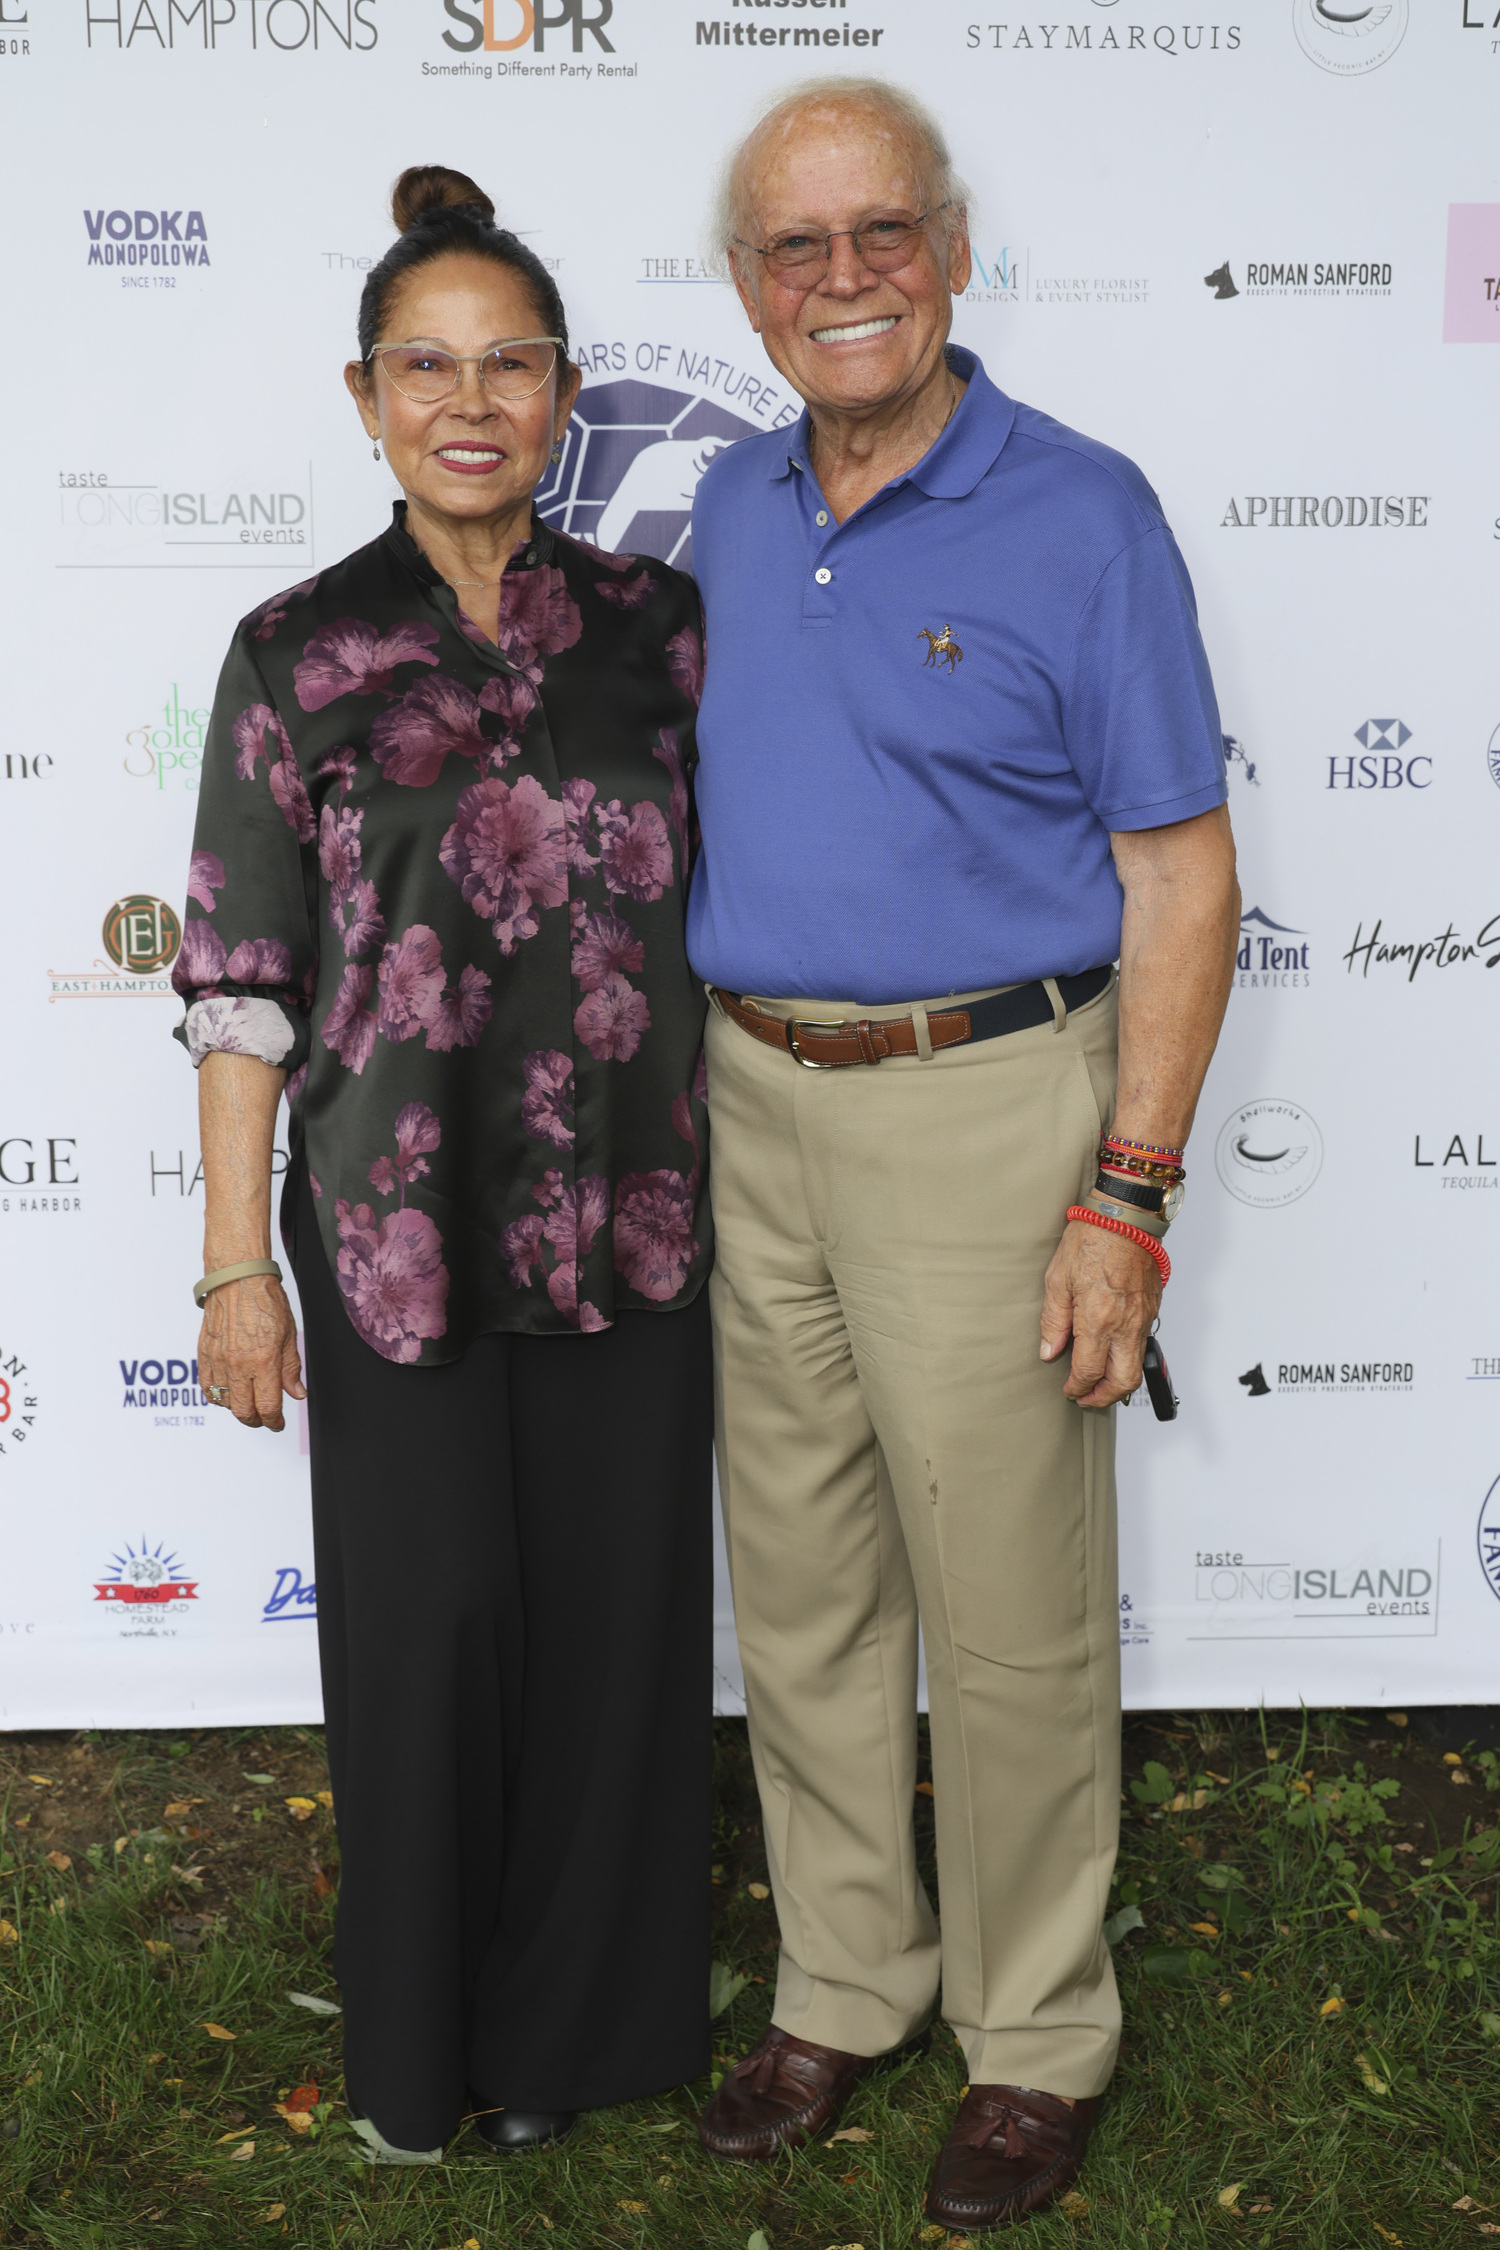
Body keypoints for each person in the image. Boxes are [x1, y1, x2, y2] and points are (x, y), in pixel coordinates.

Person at [687, 80, 1239, 2230]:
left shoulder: (1083, 514)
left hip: (993, 1111)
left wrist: (1130, 1191)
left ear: (953, 251)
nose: (842, 276)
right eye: (794, 246)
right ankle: (844, 1978)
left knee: (1006, 1614)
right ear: (748, 290)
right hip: (754, 1106)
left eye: (879, 232)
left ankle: (1035, 2032)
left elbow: (1182, 879)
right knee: (809, 1589)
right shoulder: (731, 506)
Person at [172, 165, 714, 2163]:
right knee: (429, 1649)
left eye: (509, 362)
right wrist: (241, 1268)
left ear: (565, 391)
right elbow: (238, 982)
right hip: (394, 1237)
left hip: (644, 1222)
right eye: (428, 365)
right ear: (365, 393)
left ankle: (572, 2042)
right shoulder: (296, 652)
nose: (468, 399)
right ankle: (420, 2053)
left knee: (615, 1637)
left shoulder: (663, 634)